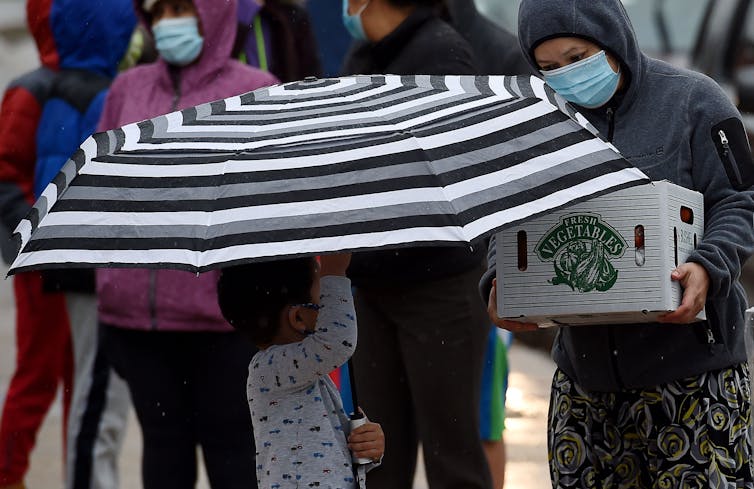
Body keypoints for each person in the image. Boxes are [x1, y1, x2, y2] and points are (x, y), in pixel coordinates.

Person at [481, 0, 754, 487]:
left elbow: (740, 201)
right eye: (548, 67)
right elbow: (511, 212)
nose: (565, 75)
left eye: (577, 56)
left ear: (614, 40)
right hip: (584, 384)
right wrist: (499, 280)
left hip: (692, 374)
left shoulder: (694, 102)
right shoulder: (540, 122)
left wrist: (709, 266)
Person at [96, 1, 278, 488]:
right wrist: (107, 292)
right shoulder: (127, 89)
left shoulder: (255, 91)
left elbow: (270, 210)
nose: (166, 21)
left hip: (226, 324)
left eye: (181, 7)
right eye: (157, 10)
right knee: (162, 450)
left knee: (233, 451)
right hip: (138, 320)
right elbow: (99, 194)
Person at [340, 1, 493, 488]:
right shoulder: (362, 56)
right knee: (377, 457)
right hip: (371, 284)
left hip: (439, 287)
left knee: (452, 456)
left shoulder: (442, 52)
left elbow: (455, 167)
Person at [0, 1, 136, 489]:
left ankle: (69, 473)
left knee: (83, 381)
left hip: (83, 265)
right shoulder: (31, 91)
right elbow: (5, 172)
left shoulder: (115, 90)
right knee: (37, 377)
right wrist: (27, 240)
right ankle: (8, 474)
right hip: (41, 264)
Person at [217, 254, 385, 489]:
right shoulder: (269, 368)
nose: (329, 305)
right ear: (298, 317)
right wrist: (335, 272)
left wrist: (365, 442)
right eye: (323, 293)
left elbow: (330, 443)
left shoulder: (303, 370)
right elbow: (338, 342)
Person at [233, 0, 322, 82]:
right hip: (236, 94)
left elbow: (310, 73)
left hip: (282, 95)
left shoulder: (291, 16)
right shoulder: (231, 13)